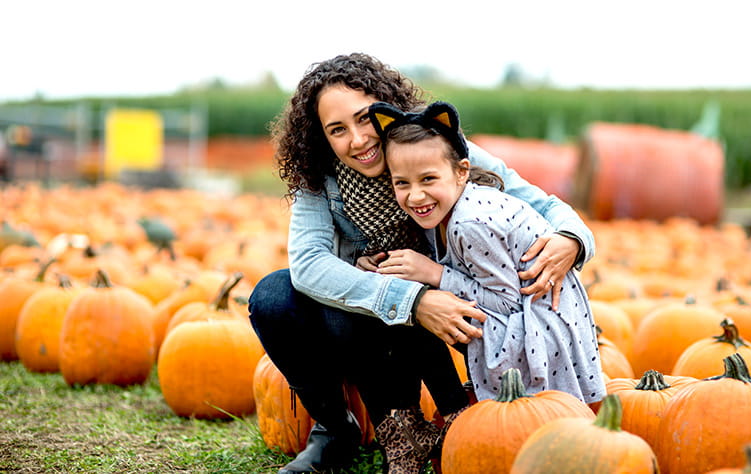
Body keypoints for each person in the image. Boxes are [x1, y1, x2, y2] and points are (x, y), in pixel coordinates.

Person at [248, 53, 596, 474]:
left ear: (387, 108)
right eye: (337, 130)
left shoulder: (433, 146)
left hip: (476, 301)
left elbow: (536, 200)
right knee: (274, 297)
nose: (358, 140)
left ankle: (456, 416)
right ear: (321, 138)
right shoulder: (321, 178)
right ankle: (338, 428)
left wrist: (572, 241)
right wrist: (411, 299)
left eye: (364, 119)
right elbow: (309, 264)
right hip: (387, 303)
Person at [369, 100, 606, 403]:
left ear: (461, 172)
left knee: (413, 307)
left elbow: (506, 304)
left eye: (428, 179)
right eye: (401, 183)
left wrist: (434, 274)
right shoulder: (446, 208)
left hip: (540, 330)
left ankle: (456, 403)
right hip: (539, 316)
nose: (415, 195)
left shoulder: (469, 223)